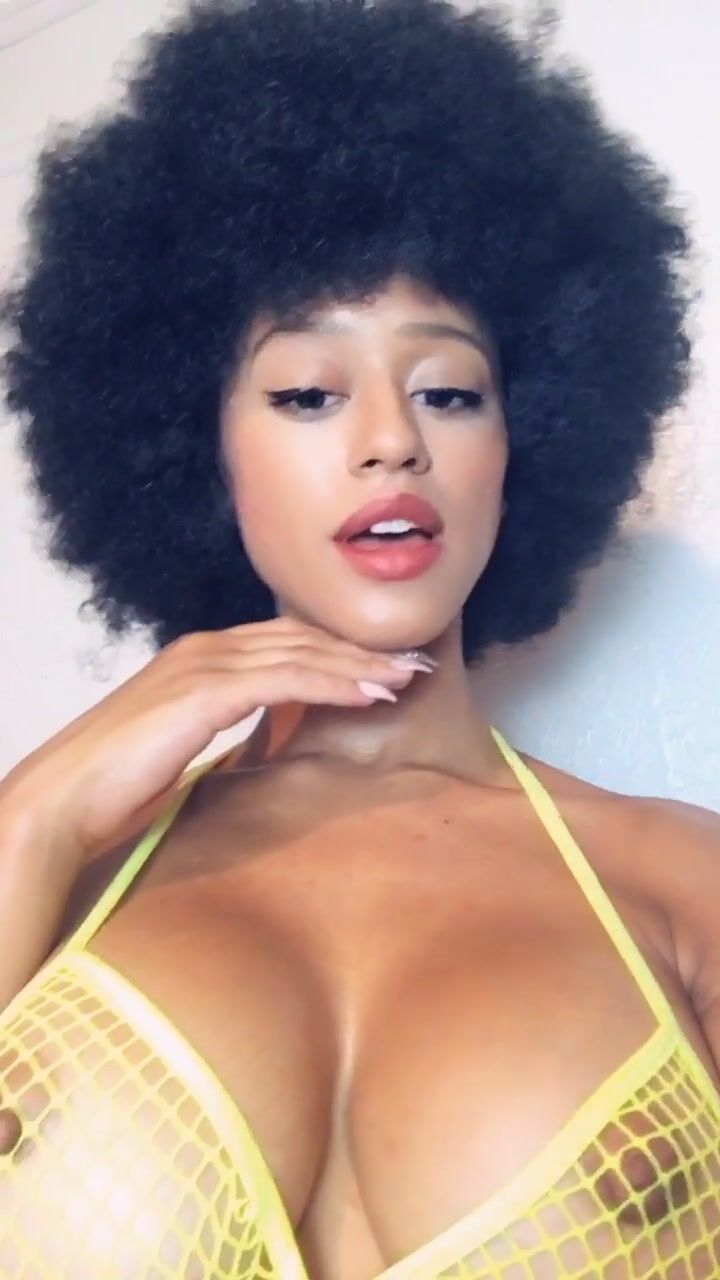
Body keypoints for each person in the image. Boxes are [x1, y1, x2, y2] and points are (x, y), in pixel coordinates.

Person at [0, 0, 717, 1276]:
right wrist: (36, 811)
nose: (392, 439)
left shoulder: (676, 880)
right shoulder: (58, 873)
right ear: (200, 448)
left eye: (449, 390)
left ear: (524, 446)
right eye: (306, 392)